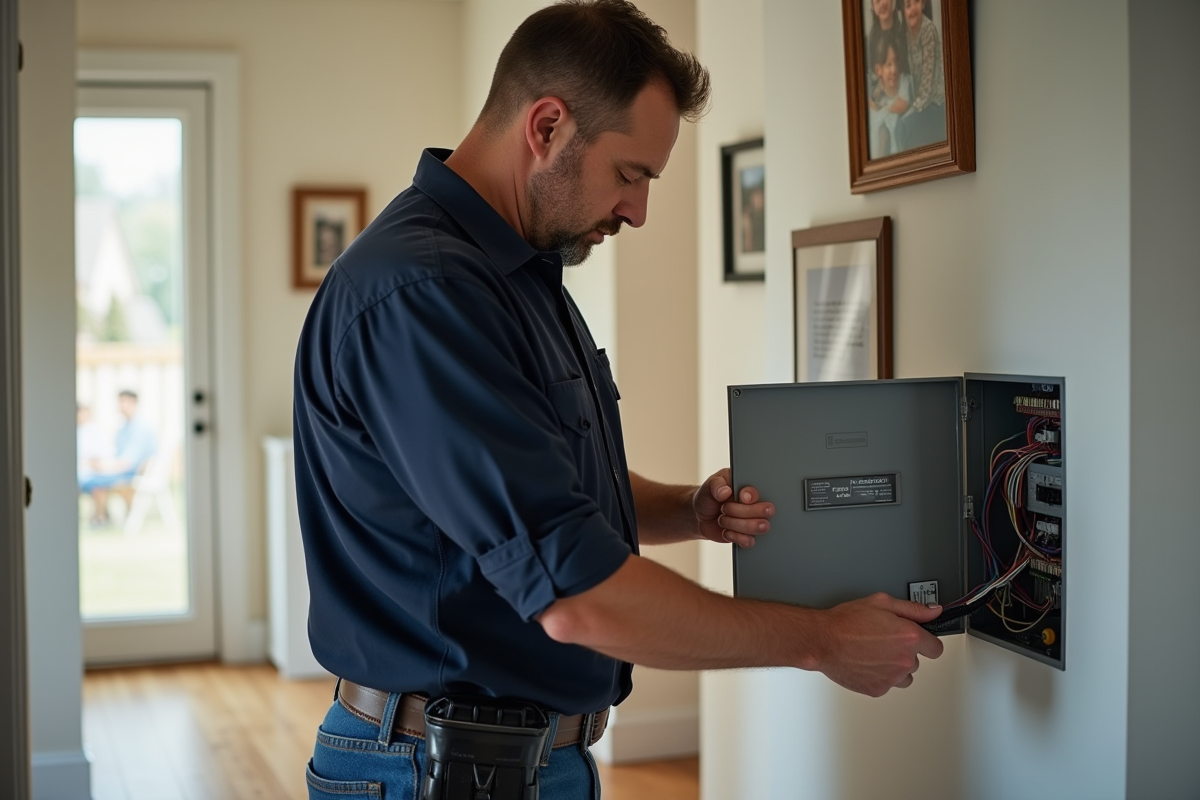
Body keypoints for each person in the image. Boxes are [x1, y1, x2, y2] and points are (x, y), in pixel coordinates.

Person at [292, 2, 944, 797]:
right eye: (630, 174)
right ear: (547, 127)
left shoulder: (518, 274)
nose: (637, 210)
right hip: (435, 770)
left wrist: (684, 511)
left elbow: (537, 492)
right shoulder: (424, 294)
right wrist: (821, 641)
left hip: (524, 761)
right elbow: (573, 594)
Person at [79, 390, 157, 526]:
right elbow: (116, 455)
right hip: (122, 470)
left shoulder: (140, 428)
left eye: (123, 401)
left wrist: (103, 467)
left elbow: (127, 463)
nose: (120, 405)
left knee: (92, 481)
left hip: (132, 473)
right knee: (88, 477)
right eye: (119, 402)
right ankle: (102, 515)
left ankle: (100, 517)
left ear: (133, 403)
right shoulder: (124, 428)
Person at [896, 0, 946, 150]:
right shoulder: (906, 36)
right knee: (896, 124)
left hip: (935, 104)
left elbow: (927, 87)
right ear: (903, 11)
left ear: (923, 4)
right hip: (920, 103)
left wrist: (911, 110)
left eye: (916, 2)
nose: (912, 10)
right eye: (907, 5)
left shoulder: (928, 30)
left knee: (905, 125)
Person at [867, 35, 912, 158]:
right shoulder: (878, 90)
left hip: (903, 143)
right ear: (878, 70)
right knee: (880, 130)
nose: (894, 69)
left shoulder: (904, 82)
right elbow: (872, 104)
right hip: (884, 142)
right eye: (888, 64)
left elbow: (903, 104)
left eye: (896, 62)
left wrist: (884, 107)